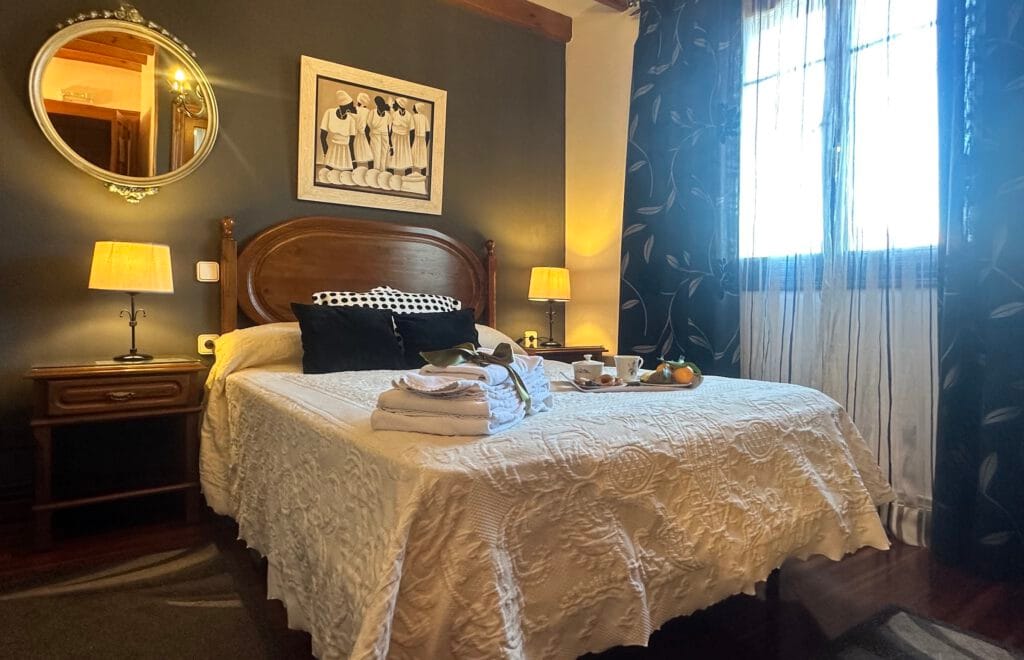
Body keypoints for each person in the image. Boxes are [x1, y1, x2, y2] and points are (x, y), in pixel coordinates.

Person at [319, 90, 356, 172]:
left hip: (346, 154)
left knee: (347, 176)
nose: (353, 106)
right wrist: (326, 153)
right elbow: (322, 137)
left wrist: (353, 160)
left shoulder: (351, 120)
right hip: (332, 152)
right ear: (345, 106)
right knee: (327, 174)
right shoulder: (329, 113)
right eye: (351, 104)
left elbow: (351, 143)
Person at [389, 97, 414, 174]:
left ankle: (408, 178)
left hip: (405, 140)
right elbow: (390, 129)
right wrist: (390, 143)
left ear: (399, 105)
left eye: (396, 104)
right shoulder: (394, 115)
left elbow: (412, 130)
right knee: (392, 159)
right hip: (395, 139)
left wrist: (409, 145)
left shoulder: (409, 116)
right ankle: (390, 178)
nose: (394, 105)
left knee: (406, 159)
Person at [367, 95, 391, 172]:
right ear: (377, 105)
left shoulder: (387, 115)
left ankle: (382, 171)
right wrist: (368, 139)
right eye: (379, 105)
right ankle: (375, 172)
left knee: (384, 155)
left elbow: (389, 129)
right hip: (375, 135)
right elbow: (368, 126)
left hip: (385, 136)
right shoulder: (372, 112)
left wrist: (390, 143)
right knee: (376, 154)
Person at [352, 93, 374, 168]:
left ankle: (353, 170)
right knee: (368, 153)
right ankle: (371, 170)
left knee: (353, 153)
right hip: (362, 133)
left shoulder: (353, 110)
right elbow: (369, 125)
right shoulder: (367, 111)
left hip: (354, 134)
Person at [411, 102, 431, 174]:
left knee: (412, 156)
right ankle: (423, 174)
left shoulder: (413, 117)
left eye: (414, 107)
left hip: (415, 139)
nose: (413, 109)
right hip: (422, 140)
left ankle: (410, 174)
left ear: (417, 108)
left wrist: (410, 143)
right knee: (422, 158)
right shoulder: (425, 118)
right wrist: (426, 143)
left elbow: (411, 131)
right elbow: (428, 132)